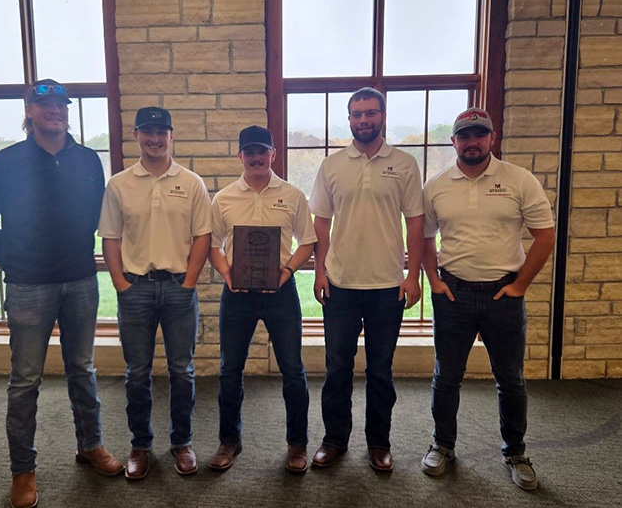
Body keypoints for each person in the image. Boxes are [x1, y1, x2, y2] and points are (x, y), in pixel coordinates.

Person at [0, 79, 123, 508]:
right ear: (29, 111)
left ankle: (90, 445)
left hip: (80, 280)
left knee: (83, 369)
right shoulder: (5, 163)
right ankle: (23, 470)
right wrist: (15, 261)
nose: (54, 111)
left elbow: (97, 217)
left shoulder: (88, 160)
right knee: (25, 381)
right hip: (28, 285)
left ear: (67, 111)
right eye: (45, 105)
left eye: (61, 105)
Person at [420, 107, 555, 490]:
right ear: (454, 141)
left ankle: (516, 452)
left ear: (492, 138)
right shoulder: (436, 186)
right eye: (464, 136)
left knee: (510, 379)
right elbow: (424, 238)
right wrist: (433, 280)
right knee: (446, 376)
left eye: (479, 135)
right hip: (454, 295)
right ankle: (442, 445)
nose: (472, 142)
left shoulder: (519, 180)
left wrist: (520, 286)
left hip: (503, 295)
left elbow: (545, 235)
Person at [308, 87, 424, 472]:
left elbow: (416, 223)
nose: (363, 120)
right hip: (340, 284)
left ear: (383, 116)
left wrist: (413, 275)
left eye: (370, 113)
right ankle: (334, 440)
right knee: (337, 368)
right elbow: (321, 223)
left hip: (387, 286)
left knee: (380, 370)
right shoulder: (332, 165)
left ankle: (379, 443)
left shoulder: (405, 164)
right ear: (349, 120)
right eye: (357, 114)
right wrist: (320, 271)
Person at [98, 107, 211, 479]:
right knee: (137, 373)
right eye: (147, 132)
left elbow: (203, 236)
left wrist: (190, 282)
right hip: (136, 289)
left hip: (179, 288)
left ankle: (182, 442)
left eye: (162, 132)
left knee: (182, 371)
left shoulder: (192, 183)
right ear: (136, 136)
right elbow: (110, 238)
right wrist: (121, 284)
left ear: (171, 136)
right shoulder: (119, 184)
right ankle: (140, 446)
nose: (155, 138)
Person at [208, 125, 316, 474]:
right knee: (229, 370)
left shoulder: (293, 195)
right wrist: (226, 272)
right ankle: (229, 441)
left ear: (273, 154)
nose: (256, 157)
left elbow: (308, 242)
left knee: (293, 370)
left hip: (281, 293)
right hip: (236, 295)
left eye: (262, 151)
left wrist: (287, 271)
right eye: (249, 152)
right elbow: (213, 244)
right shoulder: (224, 198)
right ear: (240, 156)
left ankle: (297, 444)